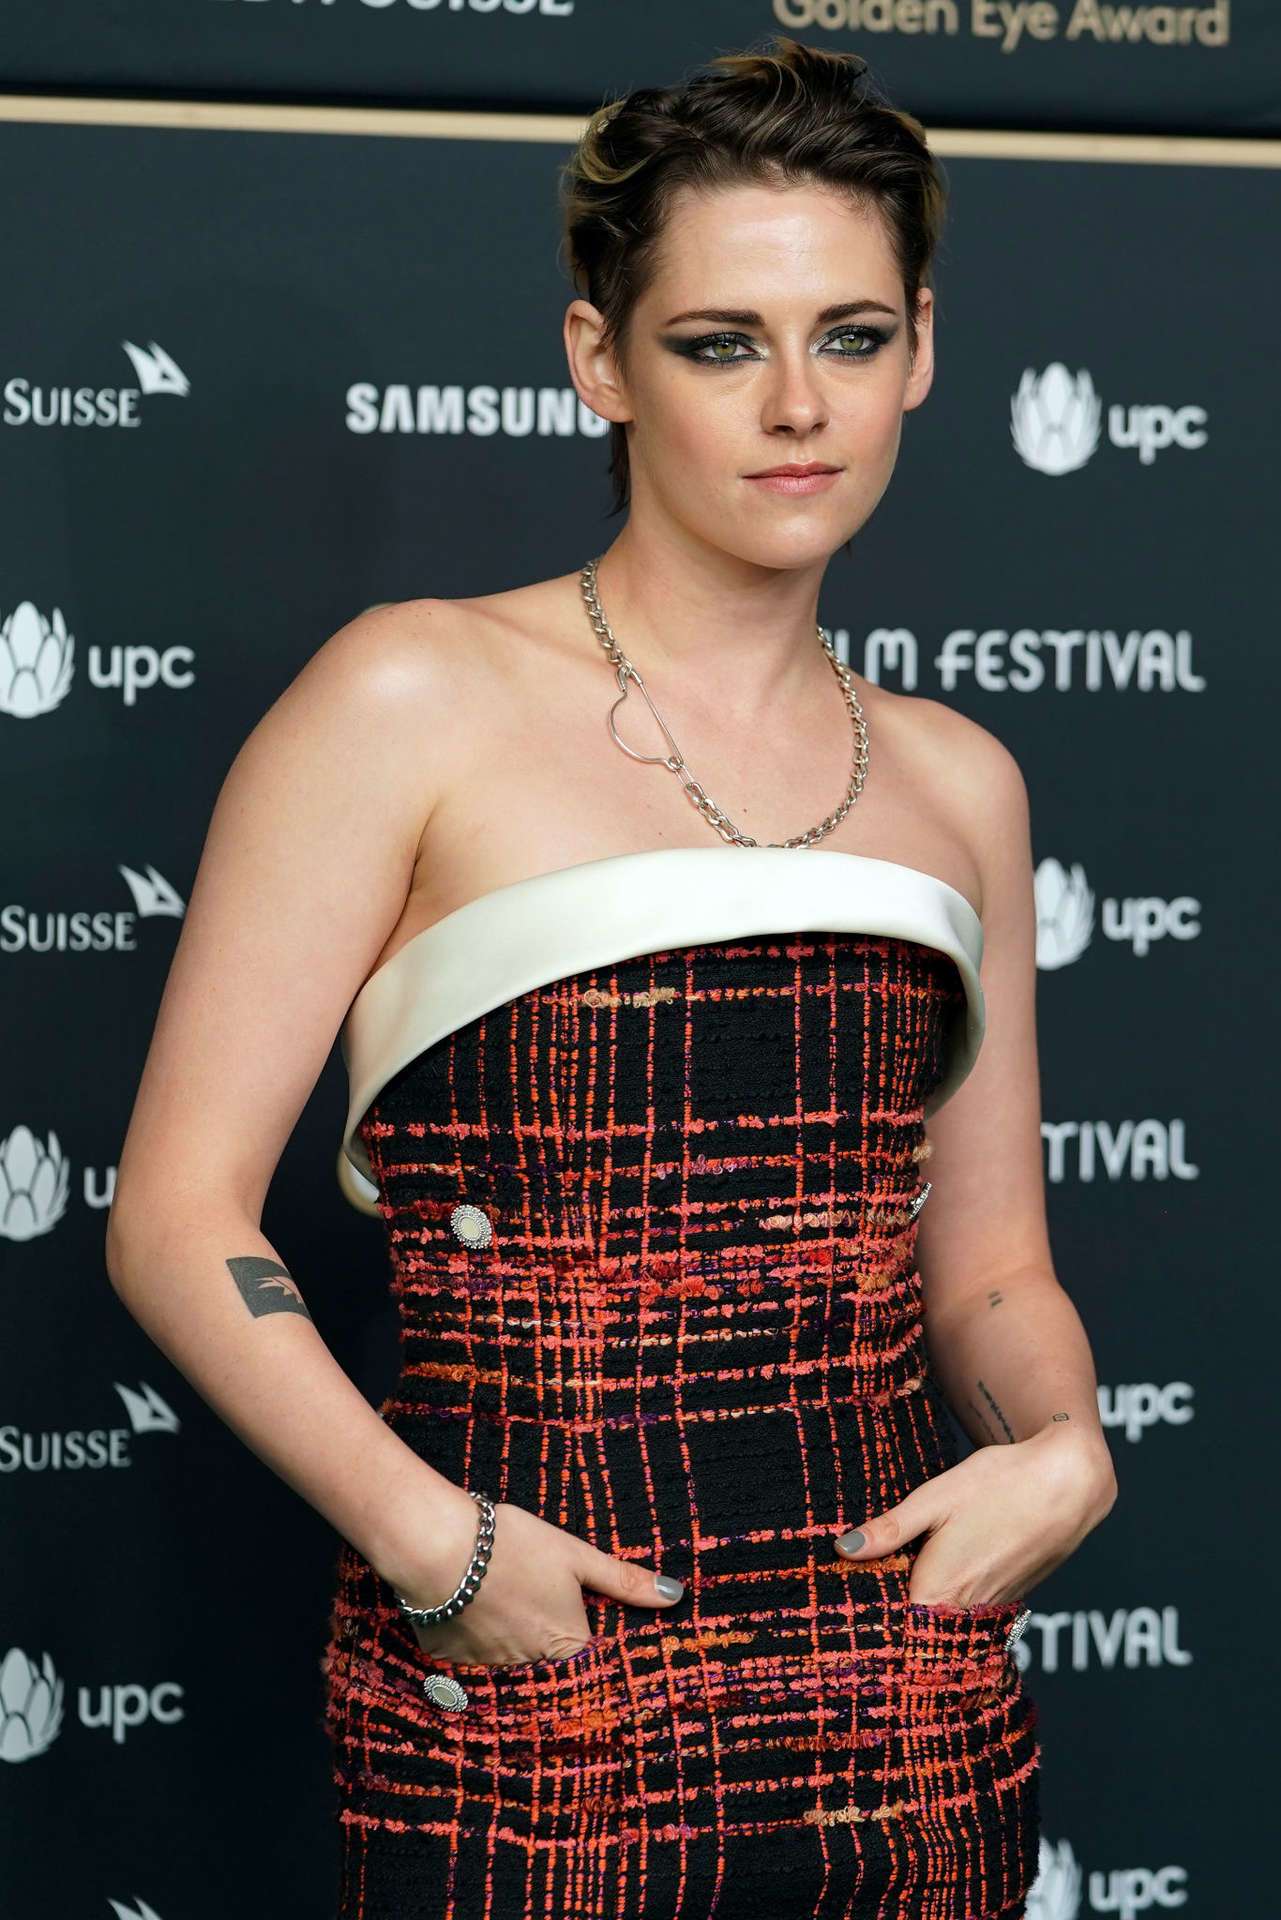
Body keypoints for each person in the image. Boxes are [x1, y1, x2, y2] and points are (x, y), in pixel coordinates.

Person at [106, 34, 1117, 1920]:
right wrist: (433, 1545)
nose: (796, 404)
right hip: (525, 1681)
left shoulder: (960, 777)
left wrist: (1067, 1452)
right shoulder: (409, 695)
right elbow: (174, 1217)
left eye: (849, 336)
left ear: (920, 349)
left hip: (905, 1701)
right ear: (600, 360)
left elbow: (988, 1272)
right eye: (719, 343)